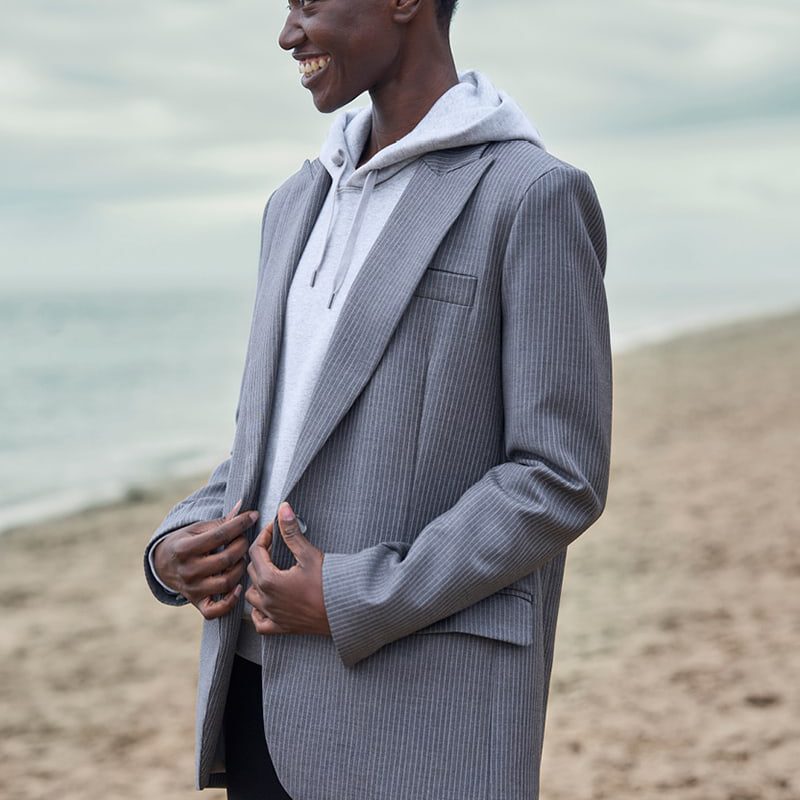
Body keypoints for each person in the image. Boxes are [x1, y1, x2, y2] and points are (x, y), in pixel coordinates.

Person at [143, 0, 612, 798]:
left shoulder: (530, 195)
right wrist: (179, 541)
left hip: (419, 720)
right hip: (256, 700)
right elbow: (286, 437)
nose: (289, 33)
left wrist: (354, 595)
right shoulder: (296, 203)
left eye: (308, 4)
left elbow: (559, 475)